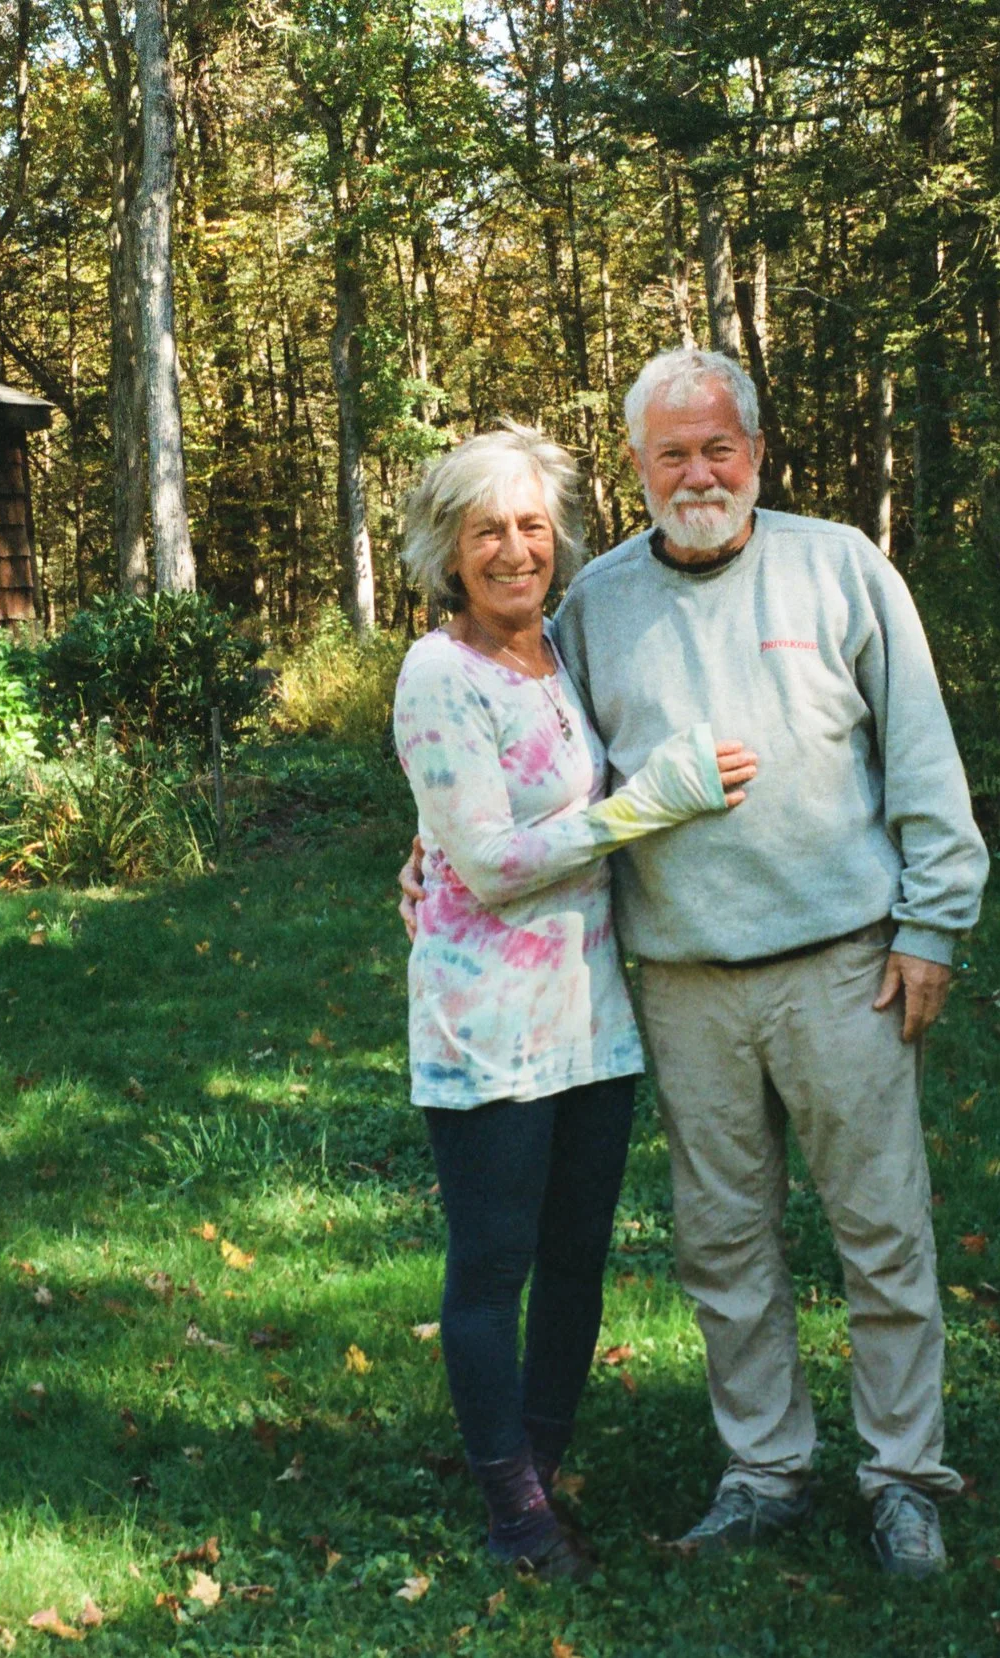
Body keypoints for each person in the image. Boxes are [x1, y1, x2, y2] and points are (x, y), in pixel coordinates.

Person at [400, 350, 988, 1577]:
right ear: (637, 467)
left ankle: (901, 1477)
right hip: (673, 979)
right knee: (726, 1246)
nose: (698, 471)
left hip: (844, 964)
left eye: (718, 446)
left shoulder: (839, 567)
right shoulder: (593, 603)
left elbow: (924, 757)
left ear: (757, 452)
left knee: (880, 1232)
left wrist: (933, 922)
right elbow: (510, 738)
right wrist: (428, 854)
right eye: (671, 453)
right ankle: (765, 1469)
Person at [390, 423, 759, 1580]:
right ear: (448, 549)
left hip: (589, 1013)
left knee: (579, 1259)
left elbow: (488, 813)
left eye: (533, 525)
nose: (514, 549)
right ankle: (513, 1513)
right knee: (494, 1262)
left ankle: (536, 1472)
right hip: (488, 1021)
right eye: (487, 529)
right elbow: (495, 862)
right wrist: (655, 802)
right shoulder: (437, 670)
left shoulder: (554, 646)